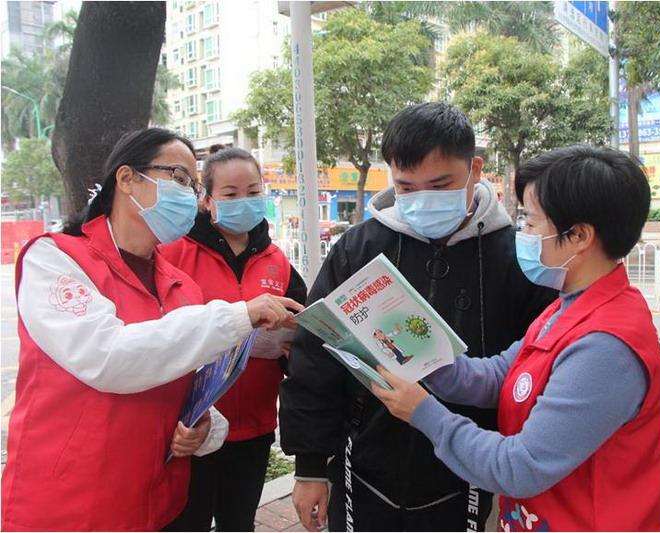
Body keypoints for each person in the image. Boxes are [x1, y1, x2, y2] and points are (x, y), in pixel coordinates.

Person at [1, 128, 303, 532]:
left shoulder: (181, 285)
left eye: (192, 185)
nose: (188, 194)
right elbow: (108, 357)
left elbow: (193, 387)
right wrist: (237, 316)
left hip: (158, 504)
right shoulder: (56, 259)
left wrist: (204, 427)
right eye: (178, 177)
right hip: (71, 504)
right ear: (127, 179)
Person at [279, 102, 557, 532]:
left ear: (475, 169)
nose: (423, 199)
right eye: (406, 187)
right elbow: (314, 358)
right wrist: (311, 466)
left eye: (440, 184)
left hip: (470, 471)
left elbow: (536, 367)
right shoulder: (360, 247)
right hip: (364, 463)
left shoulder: (515, 257)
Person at [371, 145, 660, 532]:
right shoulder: (570, 306)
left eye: (530, 222)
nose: (522, 234)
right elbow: (501, 376)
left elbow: (520, 466)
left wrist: (424, 412)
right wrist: (427, 358)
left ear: (579, 236)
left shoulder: (605, 347)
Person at [160, 147, 307, 532]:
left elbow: (304, 330)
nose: (244, 201)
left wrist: (292, 347)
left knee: (239, 524)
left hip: (255, 428)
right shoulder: (173, 254)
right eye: (230, 194)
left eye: (253, 191)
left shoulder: (277, 261)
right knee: (186, 524)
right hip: (192, 427)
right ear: (207, 200)